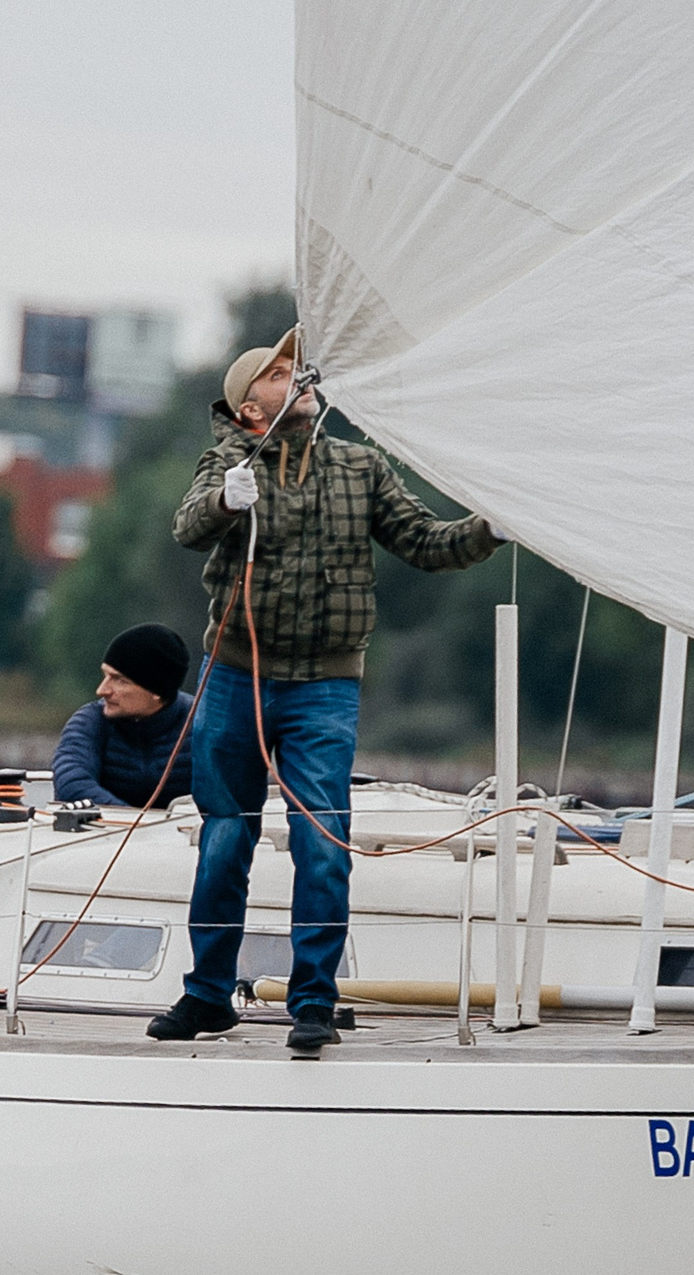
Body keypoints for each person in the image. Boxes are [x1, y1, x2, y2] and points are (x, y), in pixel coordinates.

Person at [151, 327, 502, 1052]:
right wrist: (225, 502)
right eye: (280, 374)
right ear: (250, 408)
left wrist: (491, 528)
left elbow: (426, 543)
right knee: (225, 838)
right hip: (236, 677)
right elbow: (187, 527)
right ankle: (208, 995)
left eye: (298, 370)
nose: (301, 377)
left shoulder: (360, 467)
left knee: (323, 843)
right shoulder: (227, 462)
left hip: (326, 686)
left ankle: (312, 1000)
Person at [52, 623, 195, 809]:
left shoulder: (202, 725)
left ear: (157, 691)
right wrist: (136, 821)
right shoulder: (89, 722)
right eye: (105, 675)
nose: (101, 690)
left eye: (120, 680)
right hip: (106, 827)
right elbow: (71, 785)